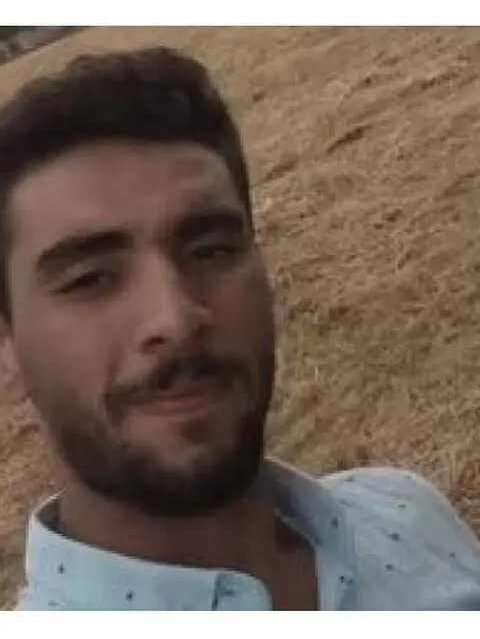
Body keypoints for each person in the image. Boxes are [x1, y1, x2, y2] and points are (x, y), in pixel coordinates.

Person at [0, 46, 479, 611]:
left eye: (211, 250)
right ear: (7, 341)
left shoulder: (409, 516)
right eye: (90, 279)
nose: (176, 318)